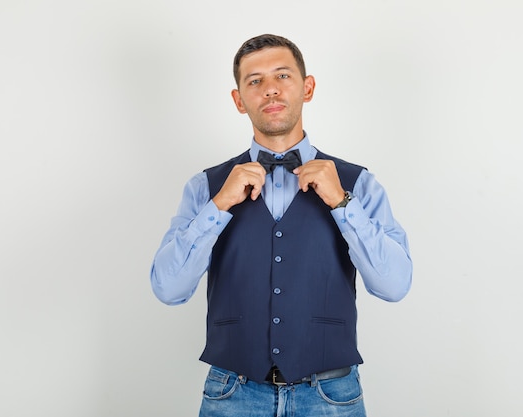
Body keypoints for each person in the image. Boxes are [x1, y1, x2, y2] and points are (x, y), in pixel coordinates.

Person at [150, 33, 412, 417]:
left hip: (330, 395)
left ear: (307, 88)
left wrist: (342, 203)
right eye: (255, 81)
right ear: (239, 100)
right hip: (232, 393)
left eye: (283, 76)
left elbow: (394, 286)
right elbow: (168, 289)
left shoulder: (358, 184)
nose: (270, 90)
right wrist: (219, 205)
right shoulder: (205, 187)